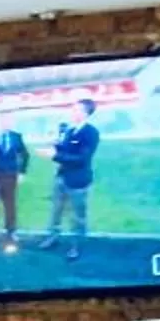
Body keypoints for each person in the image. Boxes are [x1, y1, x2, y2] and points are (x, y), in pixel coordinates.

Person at [46, 97, 100, 260]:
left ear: (85, 113)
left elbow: (81, 158)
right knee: (56, 210)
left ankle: (76, 245)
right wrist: (56, 144)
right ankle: (53, 237)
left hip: (78, 181)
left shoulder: (91, 132)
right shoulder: (69, 130)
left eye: (76, 109)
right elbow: (65, 151)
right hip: (61, 177)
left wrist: (55, 155)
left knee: (77, 215)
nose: (72, 112)